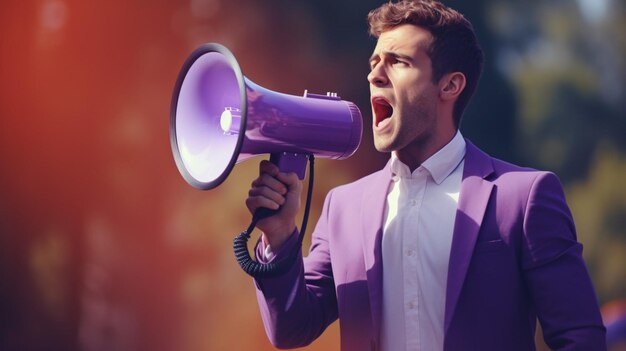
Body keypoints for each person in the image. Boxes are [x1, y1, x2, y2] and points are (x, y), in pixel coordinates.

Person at [245, 1, 606, 350]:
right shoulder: (343, 208)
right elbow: (291, 328)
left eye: (398, 61)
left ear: (450, 86)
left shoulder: (524, 197)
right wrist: (278, 238)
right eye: (374, 62)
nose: (374, 74)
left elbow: (581, 337)